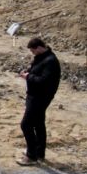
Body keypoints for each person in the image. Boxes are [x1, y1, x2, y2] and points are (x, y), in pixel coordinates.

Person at [17, 37, 61, 166]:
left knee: (26, 124)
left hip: (40, 97)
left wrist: (28, 76)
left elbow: (43, 81)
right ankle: (39, 152)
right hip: (35, 95)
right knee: (38, 123)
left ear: (39, 48)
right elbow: (36, 69)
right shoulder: (42, 57)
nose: (32, 54)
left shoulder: (51, 61)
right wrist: (28, 71)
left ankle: (31, 156)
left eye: (33, 51)